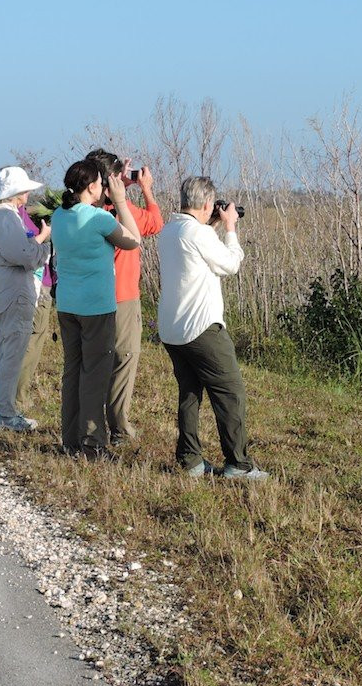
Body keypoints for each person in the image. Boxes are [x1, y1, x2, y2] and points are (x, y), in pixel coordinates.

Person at [156, 176, 268, 480]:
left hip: (172, 329)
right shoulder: (198, 234)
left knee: (190, 392)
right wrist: (230, 228)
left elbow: (196, 252)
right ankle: (237, 464)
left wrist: (212, 225)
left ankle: (190, 460)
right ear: (208, 203)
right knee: (230, 394)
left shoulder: (169, 230)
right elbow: (229, 264)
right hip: (202, 328)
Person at [50, 159, 141, 459]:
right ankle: (92, 443)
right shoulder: (98, 219)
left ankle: (70, 439)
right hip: (96, 309)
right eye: (101, 184)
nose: (104, 188)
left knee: (72, 372)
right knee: (95, 376)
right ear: (91, 187)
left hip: (67, 305)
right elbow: (133, 240)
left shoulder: (59, 216)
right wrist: (120, 201)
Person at [84, 149, 164, 444]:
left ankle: (90, 427)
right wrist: (145, 189)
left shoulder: (82, 212)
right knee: (123, 360)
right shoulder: (121, 213)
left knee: (93, 363)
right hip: (122, 298)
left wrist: (119, 189)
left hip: (88, 298)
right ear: (111, 181)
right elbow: (155, 223)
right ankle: (119, 427)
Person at [0, 166, 51, 432]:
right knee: (13, 353)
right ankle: (5, 414)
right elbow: (27, 256)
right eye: (26, 189)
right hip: (16, 288)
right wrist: (42, 244)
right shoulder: (7, 218)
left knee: (7, 350)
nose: (29, 193)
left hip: (1, 286)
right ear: (16, 192)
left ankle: (3, 408)